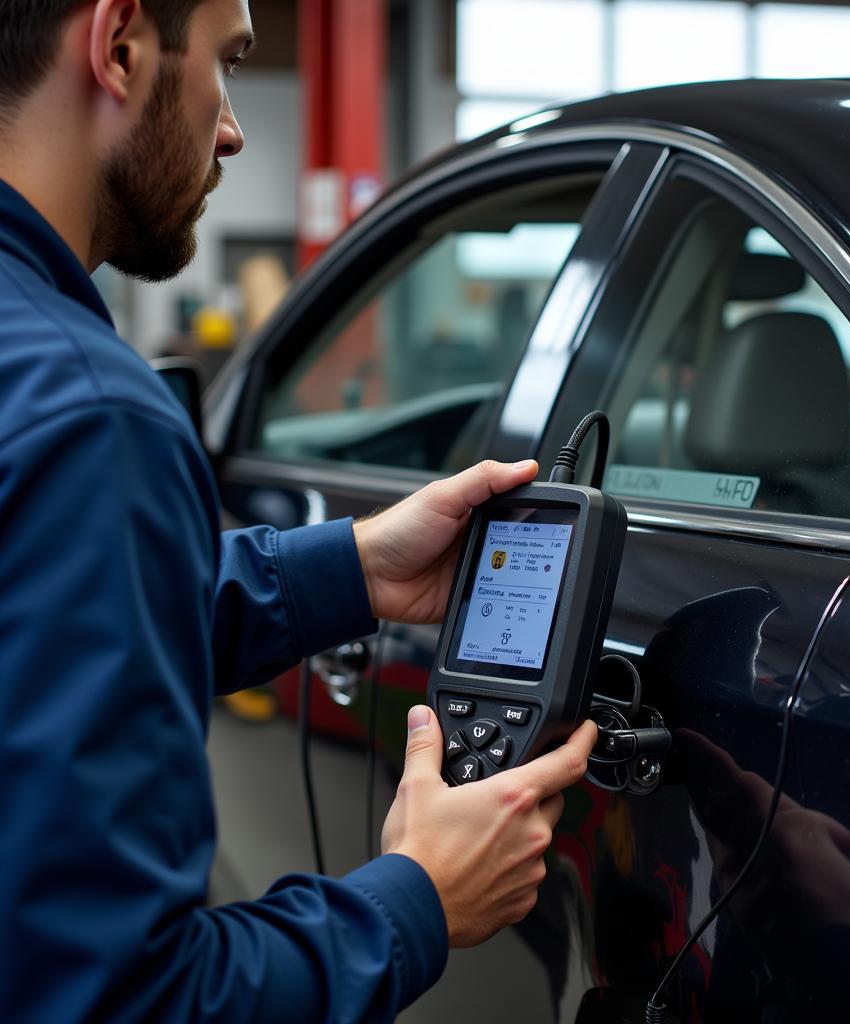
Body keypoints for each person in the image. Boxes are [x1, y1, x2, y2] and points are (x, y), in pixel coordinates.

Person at [0, 1, 597, 1021]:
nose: (231, 126)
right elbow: (122, 1002)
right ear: (121, 44)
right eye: (228, 63)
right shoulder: (92, 417)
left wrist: (353, 568)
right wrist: (412, 900)